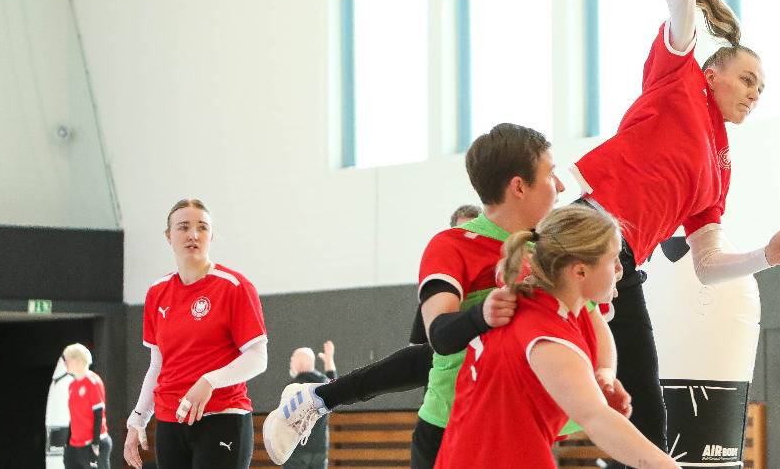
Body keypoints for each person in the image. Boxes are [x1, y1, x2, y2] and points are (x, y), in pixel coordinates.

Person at [567, 0, 780, 456]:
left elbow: (706, 265)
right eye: (747, 80)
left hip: (621, 263)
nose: (754, 94)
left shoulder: (720, 165)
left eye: (762, 89)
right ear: (711, 73)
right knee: (511, 352)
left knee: (645, 415)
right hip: (585, 226)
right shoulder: (676, 78)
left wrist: (765, 256)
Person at [264, 124, 617, 469]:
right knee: (424, 357)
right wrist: (481, 315)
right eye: (550, 173)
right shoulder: (453, 245)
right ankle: (318, 397)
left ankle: (321, 396)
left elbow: (595, 323)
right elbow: (440, 336)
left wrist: (604, 373)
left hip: (526, 427)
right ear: (519, 186)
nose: (560, 185)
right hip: (454, 428)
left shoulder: (552, 252)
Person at [435, 205, 676, 469]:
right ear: (580, 272)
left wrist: (604, 376)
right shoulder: (544, 332)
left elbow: (601, 339)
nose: (620, 269)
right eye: (613, 260)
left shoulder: (562, 305)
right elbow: (596, 420)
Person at [123, 199, 268, 469]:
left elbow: (258, 358)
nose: (193, 234)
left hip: (223, 417)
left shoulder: (234, 287)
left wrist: (210, 381)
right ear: (168, 236)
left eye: (202, 227)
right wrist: (138, 419)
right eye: (183, 227)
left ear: (211, 236)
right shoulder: (157, 292)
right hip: (170, 421)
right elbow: (157, 364)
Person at [282, 342, 338, 469]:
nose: (291, 363)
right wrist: (329, 361)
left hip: (296, 450)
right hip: (319, 449)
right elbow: (335, 388)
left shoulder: (292, 388)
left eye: (293, 360)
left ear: (300, 363)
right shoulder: (323, 383)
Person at [63, 343, 112, 469]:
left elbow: (98, 414)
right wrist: (68, 444)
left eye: (68, 359)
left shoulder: (93, 382)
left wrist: (95, 444)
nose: (65, 363)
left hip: (93, 444)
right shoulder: (72, 385)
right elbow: (74, 417)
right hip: (75, 446)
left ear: (78, 360)